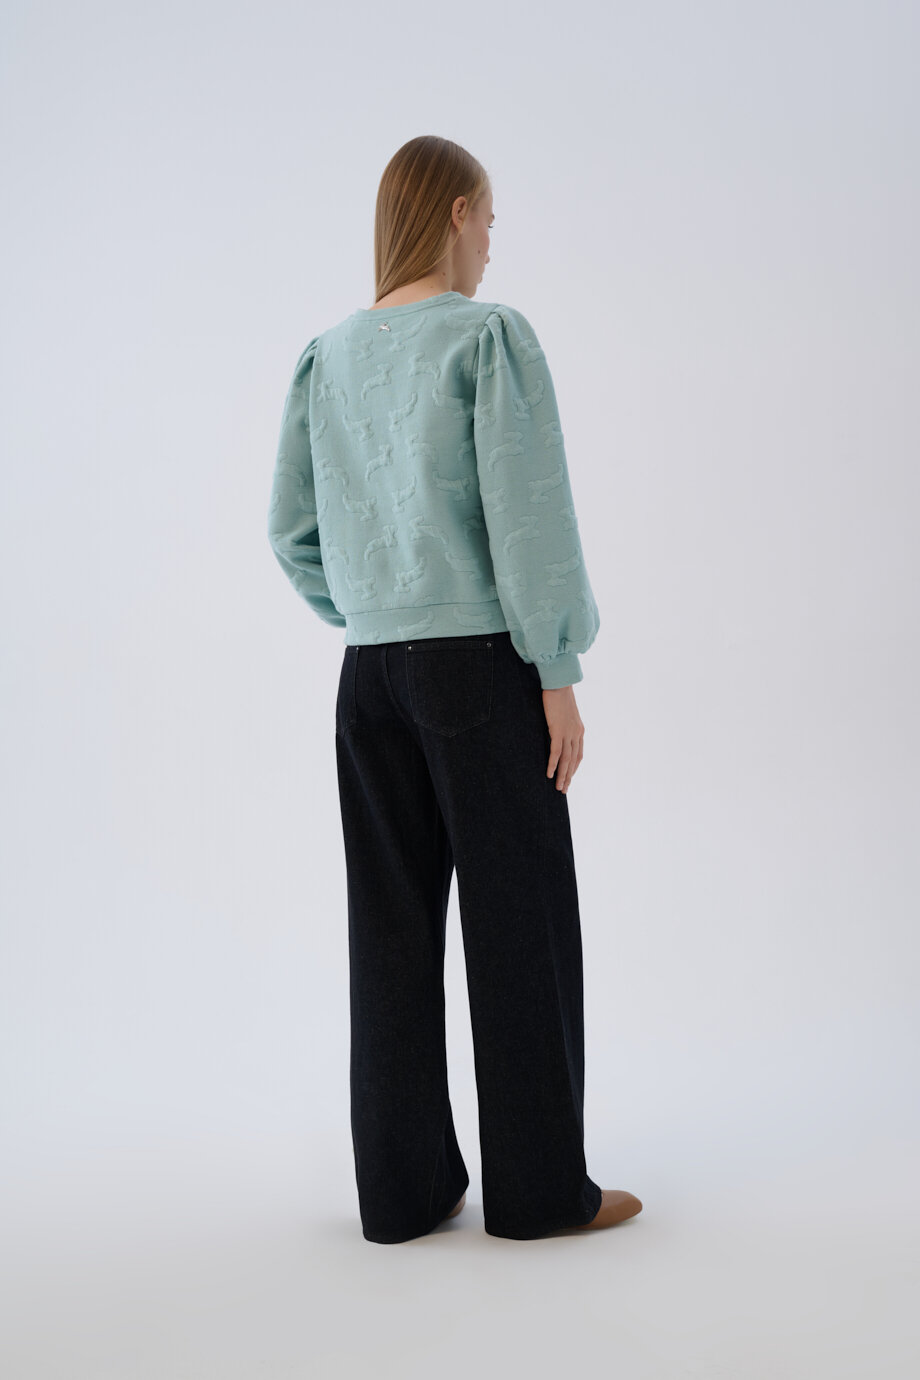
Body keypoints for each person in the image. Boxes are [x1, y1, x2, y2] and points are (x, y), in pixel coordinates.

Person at [267, 134, 643, 1242]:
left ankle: (402, 1192)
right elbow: (528, 519)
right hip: (478, 669)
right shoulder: (487, 337)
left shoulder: (325, 356)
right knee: (519, 921)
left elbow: (290, 532)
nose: (489, 245)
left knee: (388, 933)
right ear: (454, 214)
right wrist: (556, 669)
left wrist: (373, 615)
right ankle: (538, 1193)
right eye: (487, 220)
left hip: (366, 680)